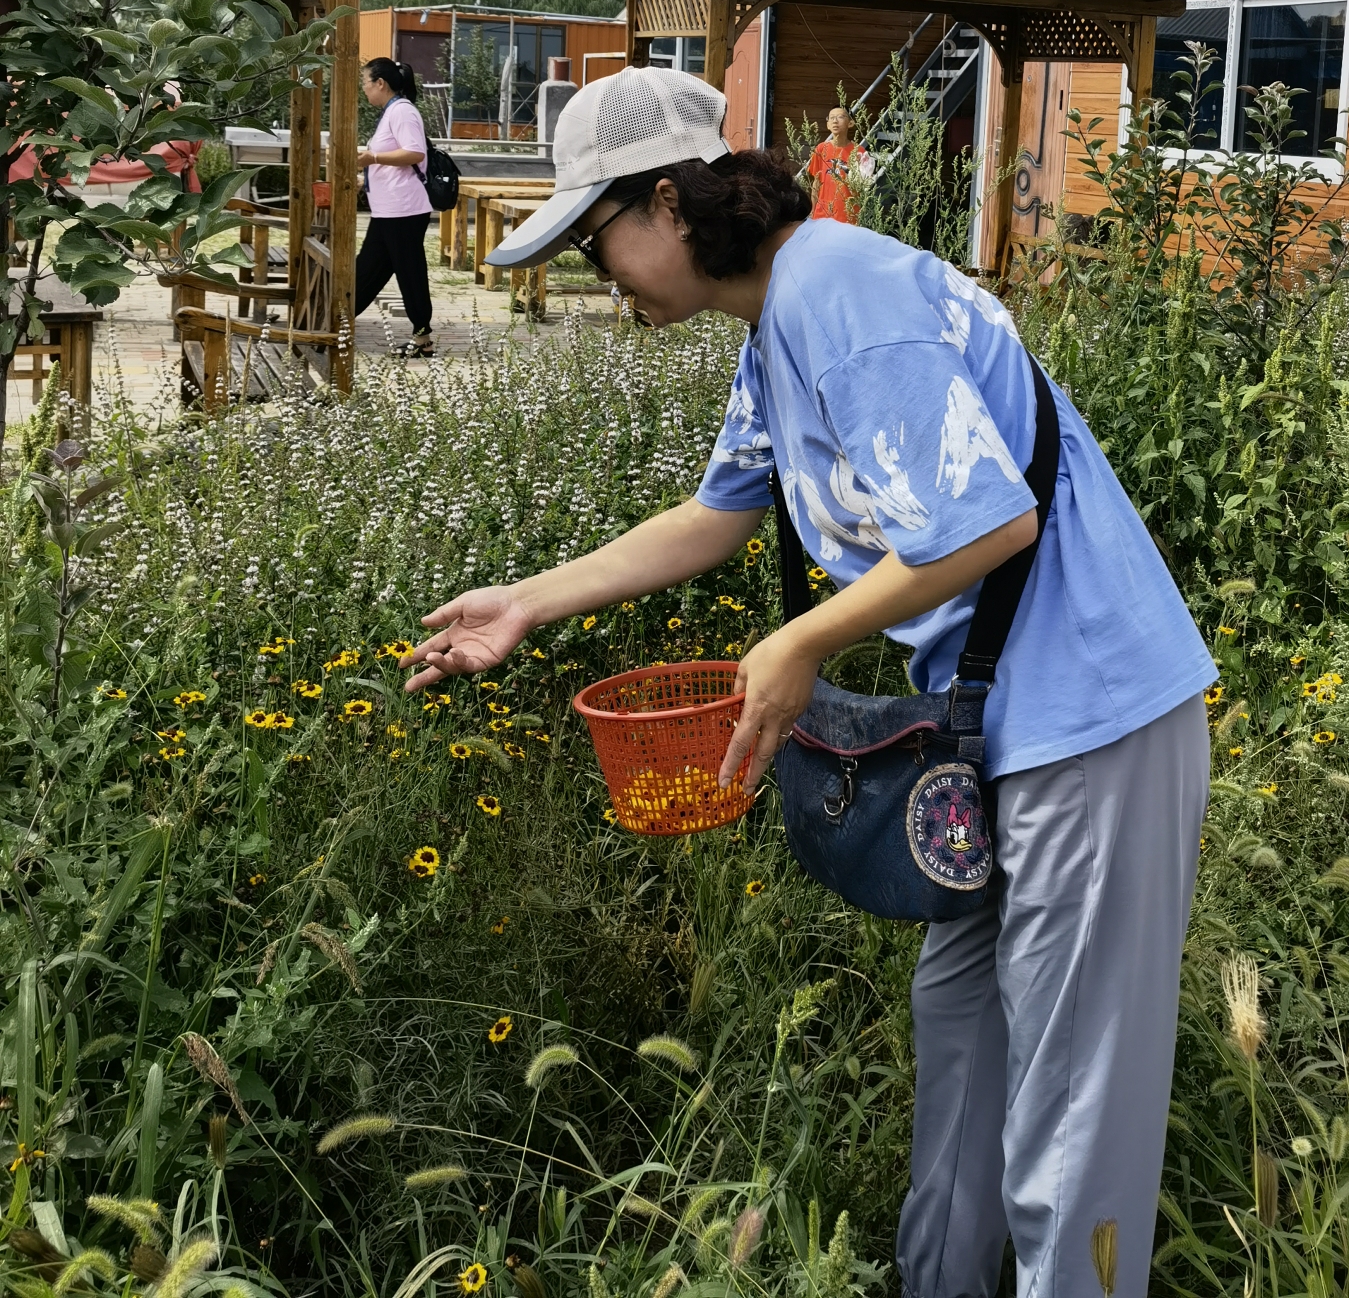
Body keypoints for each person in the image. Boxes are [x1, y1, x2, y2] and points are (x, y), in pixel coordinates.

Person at [406, 64, 1215, 1298]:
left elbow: (986, 522)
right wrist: (526, 600)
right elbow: (716, 514)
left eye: (596, 237)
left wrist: (799, 642)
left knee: (1072, 1102)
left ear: (670, 203)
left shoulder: (836, 287)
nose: (594, 273)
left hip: (1094, 716)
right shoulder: (776, 320)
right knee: (964, 1044)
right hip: (999, 725)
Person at [355, 56, 434, 358]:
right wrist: (368, 180)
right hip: (390, 210)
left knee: (409, 273)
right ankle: (334, 320)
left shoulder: (402, 112)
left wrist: (371, 159)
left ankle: (423, 339)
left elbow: (414, 152)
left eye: (365, 82)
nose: (364, 89)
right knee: (368, 270)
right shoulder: (392, 112)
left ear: (380, 83)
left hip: (404, 210)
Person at [804, 103, 870, 222]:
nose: (835, 121)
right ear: (828, 124)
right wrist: (812, 212)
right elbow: (816, 183)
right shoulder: (820, 149)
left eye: (840, 117)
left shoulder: (859, 152)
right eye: (831, 118)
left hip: (849, 216)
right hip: (822, 215)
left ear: (850, 123)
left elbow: (862, 188)